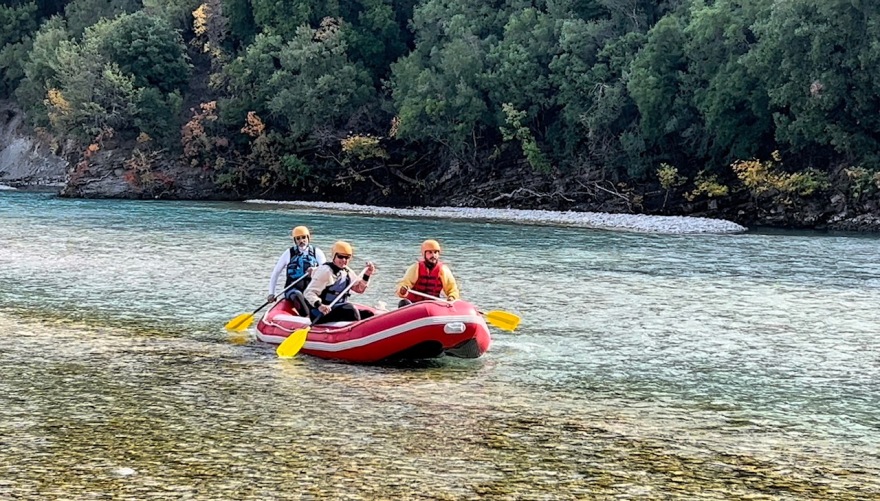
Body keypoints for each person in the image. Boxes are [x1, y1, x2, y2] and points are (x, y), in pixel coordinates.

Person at [304, 240, 377, 323]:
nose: (343, 260)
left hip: (337, 308)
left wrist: (367, 275)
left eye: (347, 257)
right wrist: (320, 305)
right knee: (350, 309)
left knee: (368, 314)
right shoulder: (325, 271)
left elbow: (359, 289)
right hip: (320, 312)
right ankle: (355, 332)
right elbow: (309, 292)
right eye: (340, 256)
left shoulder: (347, 271)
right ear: (334, 256)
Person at [267, 226, 326, 307]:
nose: (301, 241)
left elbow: (326, 270)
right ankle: (306, 315)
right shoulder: (289, 253)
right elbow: (276, 273)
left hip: (311, 290)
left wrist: (315, 269)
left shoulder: (317, 252)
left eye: (304, 237)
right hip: (292, 290)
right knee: (297, 295)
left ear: (309, 238)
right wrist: (271, 293)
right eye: (298, 238)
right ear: (294, 240)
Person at [396, 239, 460, 307]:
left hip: (432, 304)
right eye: (430, 252)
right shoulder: (415, 268)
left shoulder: (443, 270)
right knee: (403, 303)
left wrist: (452, 297)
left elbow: (452, 289)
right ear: (424, 254)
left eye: (435, 252)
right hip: (414, 304)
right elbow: (404, 284)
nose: (433, 255)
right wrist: (402, 290)